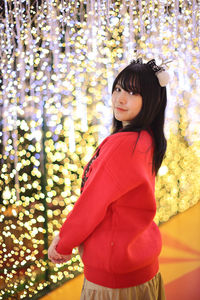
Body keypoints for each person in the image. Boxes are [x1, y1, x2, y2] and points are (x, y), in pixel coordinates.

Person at [48, 58, 168, 300]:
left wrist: (62, 244)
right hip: (140, 267)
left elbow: (91, 205)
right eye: (118, 89)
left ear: (151, 101)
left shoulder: (124, 145)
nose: (120, 99)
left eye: (133, 92)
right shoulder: (146, 138)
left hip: (116, 281)